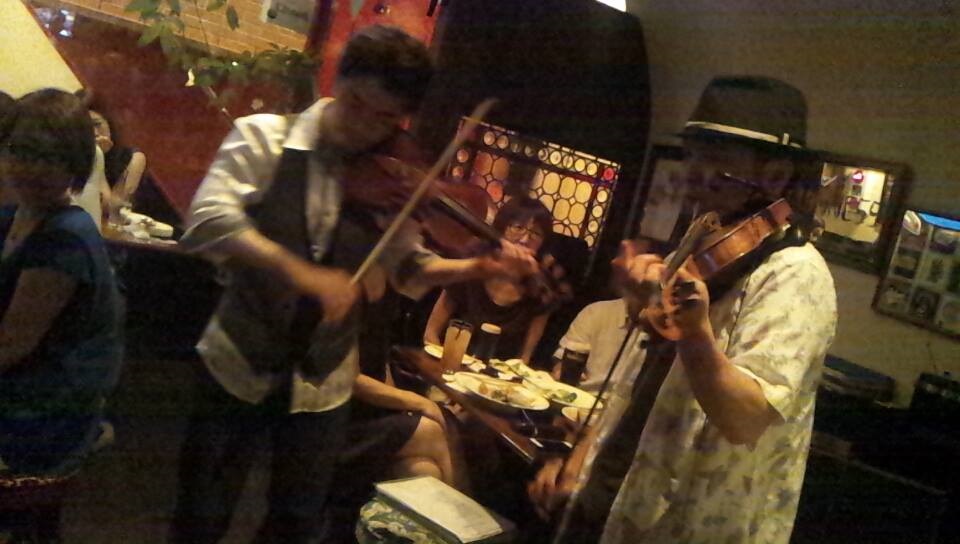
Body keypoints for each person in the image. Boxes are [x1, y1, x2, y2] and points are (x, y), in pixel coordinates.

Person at [169, 24, 538, 544]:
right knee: (202, 515)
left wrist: (476, 269)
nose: (364, 127)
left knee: (296, 523)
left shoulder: (389, 176)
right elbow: (207, 220)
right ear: (338, 81)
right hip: (240, 358)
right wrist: (301, 272)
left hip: (323, 382)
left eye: (385, 117)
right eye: (357, 104)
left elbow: (410, 267)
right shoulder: (264, 138)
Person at [530, 76, 838, 544]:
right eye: (692, 154)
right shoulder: (701, 237)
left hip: (694, 522)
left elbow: (745, 417)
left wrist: (693, 333)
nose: (694, 171)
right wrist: (580, 458)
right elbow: (639, 375)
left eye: (716, 158)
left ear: (775, 175)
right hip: (621, 488)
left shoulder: (797, 273)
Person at [0, 89, 123, 477]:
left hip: (40, 413)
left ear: (76, 163)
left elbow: (9, 347)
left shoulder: (65, 239)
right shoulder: (13, 215)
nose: (31, 167)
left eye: (49, 157)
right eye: (20, 151)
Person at [424, 196, 555, 363]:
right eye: (518, 227)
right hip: (447, 364)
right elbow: (431, 333)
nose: (525, 240)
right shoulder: (473, 264)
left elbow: (523, 359)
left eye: (536, 233)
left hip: (497, 376)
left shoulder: (542, 288)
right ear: (502, 228)